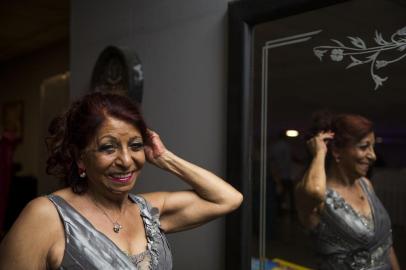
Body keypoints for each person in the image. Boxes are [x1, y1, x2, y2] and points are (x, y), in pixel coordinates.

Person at [0, 92, 243, 269]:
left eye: (135, 146)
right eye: (108, 148)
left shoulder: (150, 212)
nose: (126, 161)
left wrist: (165, 158)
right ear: (79, 157)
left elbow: (228, 199)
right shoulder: (45, 217)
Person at [295, 112, 400, 270]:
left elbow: (385, 244)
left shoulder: (366, 184)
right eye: (364, 147)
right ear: (337, 151)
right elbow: (314, 191)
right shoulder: (317, 197)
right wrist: (320, 152)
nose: (373, 155)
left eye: (373, 147)